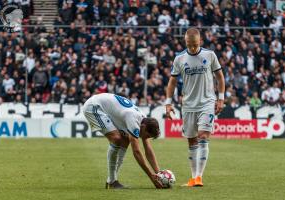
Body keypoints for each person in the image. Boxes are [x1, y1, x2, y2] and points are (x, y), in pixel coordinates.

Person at [165, 28, 225, 187]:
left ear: (200, 42)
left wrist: (221, 99)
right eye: (189, 45)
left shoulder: (210, 55)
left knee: (203, 136)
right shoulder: (179, 58)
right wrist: (168, 103)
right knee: (191, 141)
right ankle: (193, 178)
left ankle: (199, 177)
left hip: (207, 102)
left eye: (195, 45)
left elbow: (220, 76)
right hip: (188, 105)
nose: (192, 48)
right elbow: (172, 82)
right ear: (185, 42)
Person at [83, 93, 163, 189]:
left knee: (125, 140)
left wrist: (159, 174)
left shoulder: (144, 120)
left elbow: (148, 150)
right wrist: (151, 176)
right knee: (116, 139)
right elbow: (137, 152)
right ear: (143, 127)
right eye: (147, 135)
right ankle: (112, 181)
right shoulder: (133, 120)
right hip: (93, 106)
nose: (145, 138)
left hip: (105, 107)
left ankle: (112, 180)